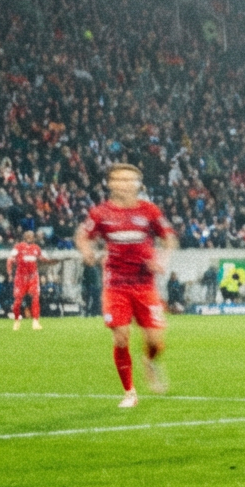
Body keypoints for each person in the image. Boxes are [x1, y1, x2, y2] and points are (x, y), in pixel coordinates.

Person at [75, 164, 177, 408]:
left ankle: (150, 361)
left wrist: (162, 260)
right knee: (121, 337)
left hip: (144, 284)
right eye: (119, 179)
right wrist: (87, 252)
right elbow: (82, 235)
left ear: (138, 184)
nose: (125, 184)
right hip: (116, 284)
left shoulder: (149, 211)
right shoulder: (101, 213)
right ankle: (130, 392)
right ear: (110, 184)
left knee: (155, 342)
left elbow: (169, 238)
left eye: (130, 180)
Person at [8, 230, 44, 328]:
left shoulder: (36, 248)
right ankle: (16, 320)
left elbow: (41, 259)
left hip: (33, 277)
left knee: (35, 297)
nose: (30, 237)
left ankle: (35, 321)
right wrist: (10, 272)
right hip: (21, 277)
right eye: (28, 235)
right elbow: (10, 259)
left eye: (31, 236)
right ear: (24, 237)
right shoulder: (18, 247)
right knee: (18, 300)